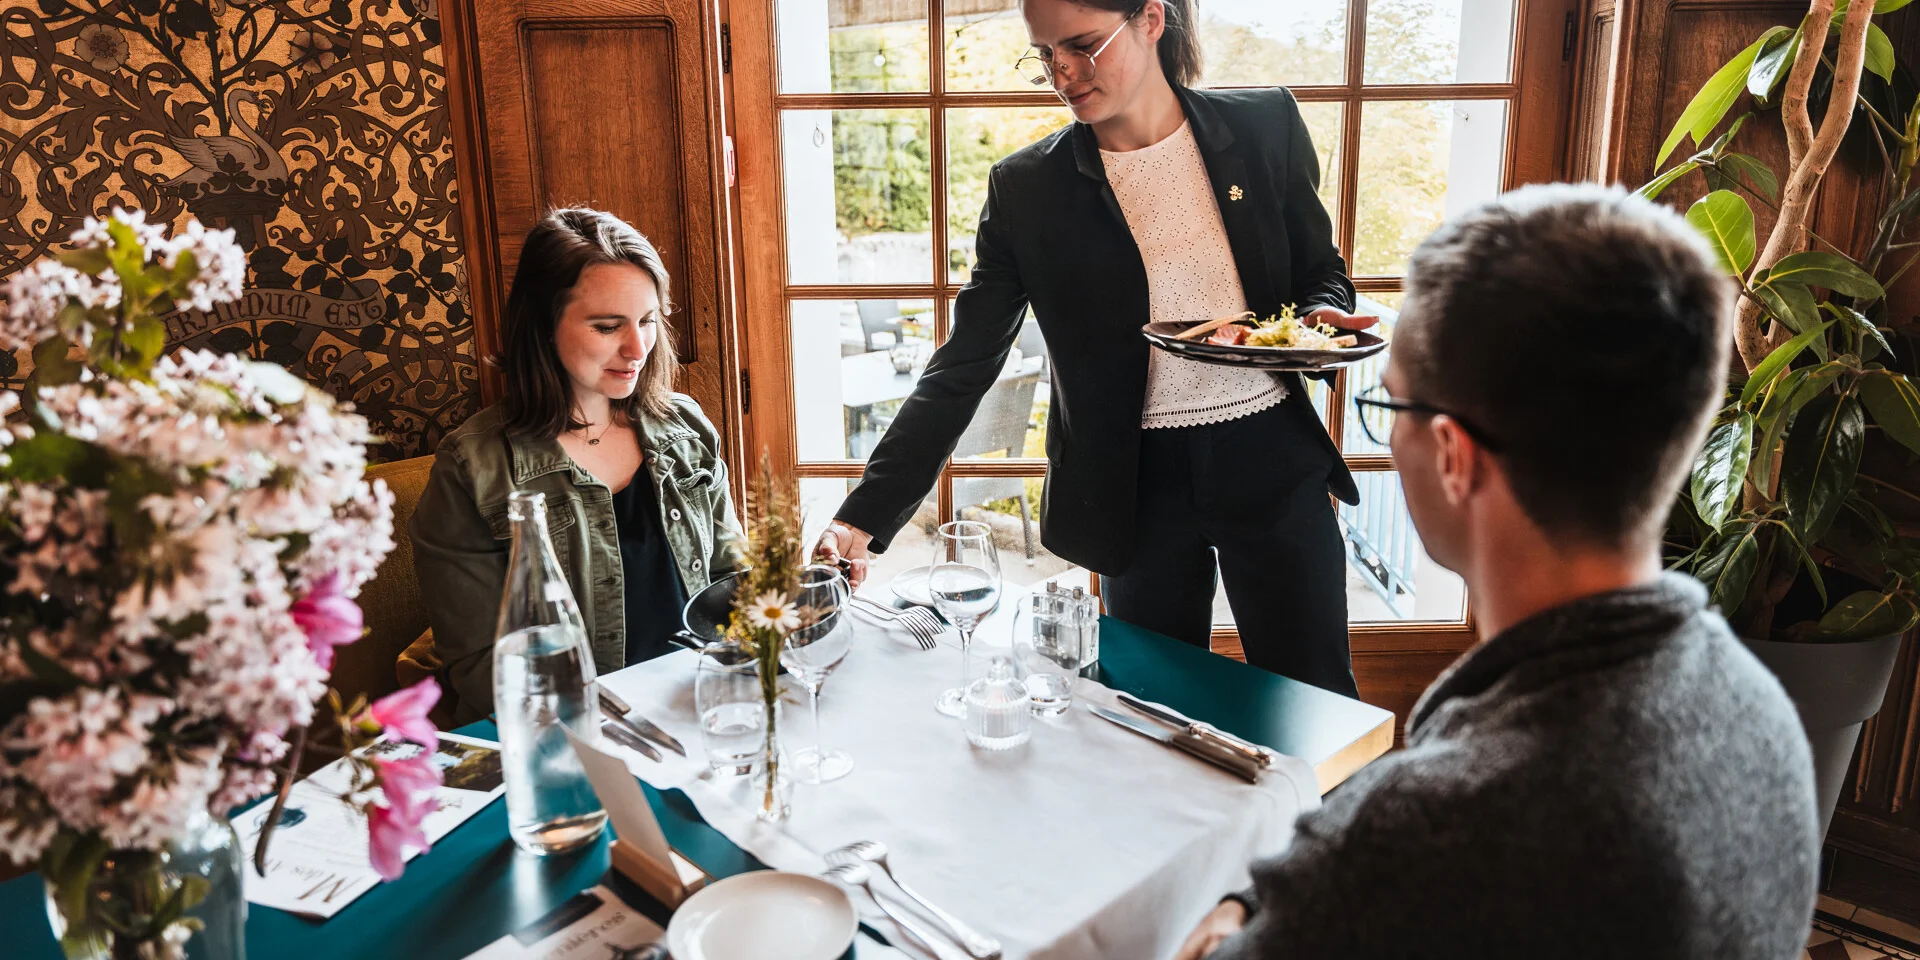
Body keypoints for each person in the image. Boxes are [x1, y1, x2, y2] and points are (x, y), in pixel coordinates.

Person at [1174, 184, 1821, 960]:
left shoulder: (1441, 822)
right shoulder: (1762, 708)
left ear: (1453, 456)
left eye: (1393, 406)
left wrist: (1222, 927)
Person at [814, 0, 1374, 696]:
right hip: (1130, 490)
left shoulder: (1264, 126)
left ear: (1150, 20)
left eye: (1081, 45)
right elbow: (963, 366)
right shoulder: (1027, 189)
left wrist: (1323, 315)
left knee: (1314, 698)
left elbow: (1323, 270)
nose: (1063, 72)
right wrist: (864, 515)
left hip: (1272, 460)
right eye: (1045, 54)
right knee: (1154, 715)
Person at [410, 208, 744, 723]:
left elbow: (731, 582)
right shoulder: (473, 467)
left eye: (648, 321)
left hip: (702, 709)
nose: (637, 348)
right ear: (543, 324)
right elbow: (481, 666)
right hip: (569, 736)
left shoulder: (687, 429)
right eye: (608, 326)